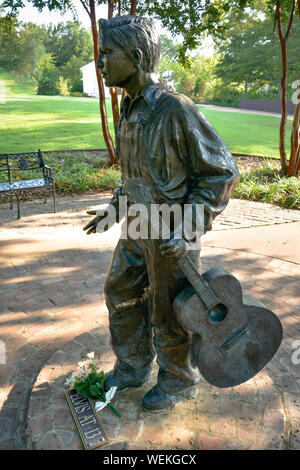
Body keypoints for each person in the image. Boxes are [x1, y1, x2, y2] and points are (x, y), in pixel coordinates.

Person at [83, 15, 239, 411]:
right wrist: (114, 208)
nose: (100, 63)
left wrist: (188, 225)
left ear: (134, 57)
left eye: (106, 54)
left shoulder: (176, 109)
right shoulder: (129, 110)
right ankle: (133, 366)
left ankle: (178, 379)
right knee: (119, 292)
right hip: (137, 226)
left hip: (172, 233)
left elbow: (221, 172)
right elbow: (134, 177)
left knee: (170, 309)